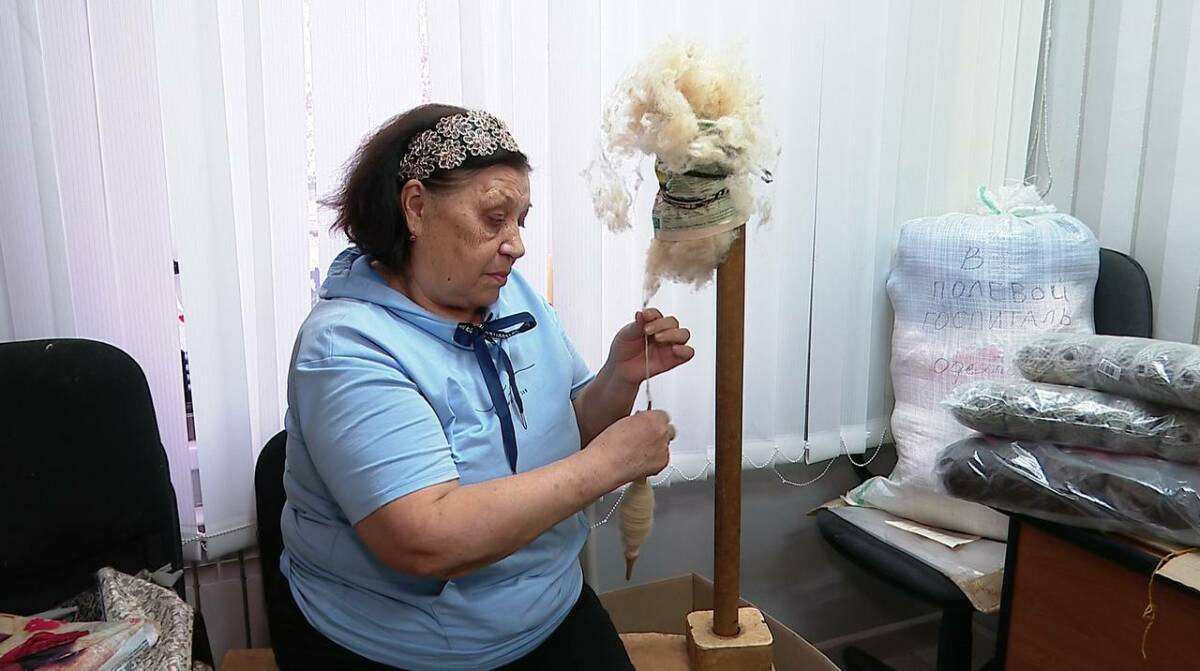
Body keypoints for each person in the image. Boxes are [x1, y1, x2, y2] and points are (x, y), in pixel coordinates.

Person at [268, 103, 695, 670]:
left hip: (547, 606)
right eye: (494, 219)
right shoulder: (346, 346)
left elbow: (567, 426)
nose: (515, 244)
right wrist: (606, 467)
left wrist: (619, 377)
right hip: (407, 648)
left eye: (521, 220)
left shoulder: (508, 293)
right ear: (416, 207)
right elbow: (426, 540)